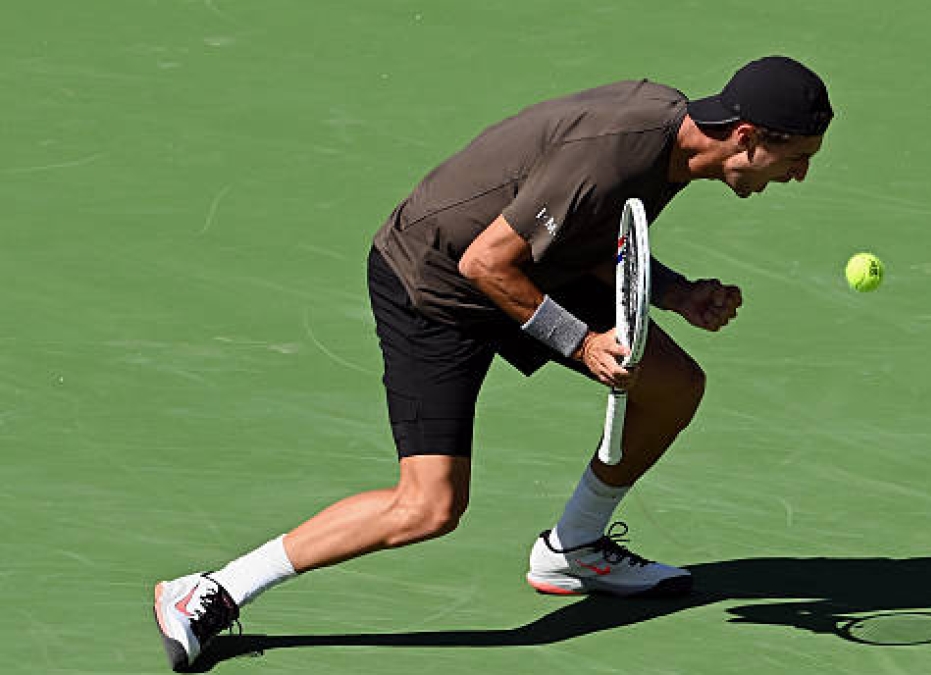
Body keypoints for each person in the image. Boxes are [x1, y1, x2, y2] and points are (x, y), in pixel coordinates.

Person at [151, 55, 833, 671]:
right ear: (746, 137)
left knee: (674, 386)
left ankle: (574, 548)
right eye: (797, 157)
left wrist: (678, 294)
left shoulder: (675, 142)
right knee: (428, 505)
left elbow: (585, 233)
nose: (799, 175)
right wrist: (580, 341)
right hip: (436, 281)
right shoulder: (620, 154)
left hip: (524, 264)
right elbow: (485, 263)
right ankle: (210, 590)